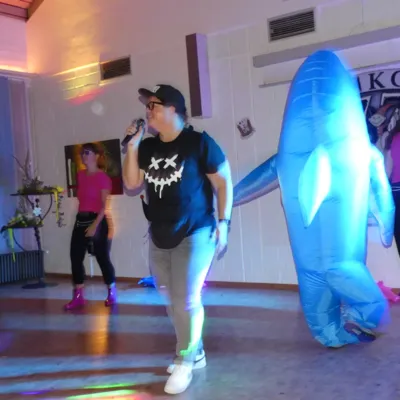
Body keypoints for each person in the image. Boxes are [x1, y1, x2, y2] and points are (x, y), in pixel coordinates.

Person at [122, 84, 233, 395]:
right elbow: (131, 183)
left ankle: (184, 358)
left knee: (187, 299)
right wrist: (132, 146)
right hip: (159, 234)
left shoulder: (199, 143)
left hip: (196, 231)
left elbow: (224, 183)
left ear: (173, 109)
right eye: (147, 105)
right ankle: (196, 351)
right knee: (170, 299)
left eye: (154, 105)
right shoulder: (147, 148)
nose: (148, 110)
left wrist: (224, 222)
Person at [64, 143, 117, 310]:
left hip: (98, 219)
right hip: (81, 219)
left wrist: (95, 224)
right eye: (82, 153)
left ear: (96, 156)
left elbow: (104, 205)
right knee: (75, 256)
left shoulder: (103, 177)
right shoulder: (80, 175)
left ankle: (111, 291)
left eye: (87, 153)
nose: (84, 156)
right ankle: (79, 295)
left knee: (102, 257)